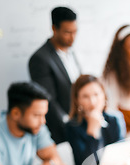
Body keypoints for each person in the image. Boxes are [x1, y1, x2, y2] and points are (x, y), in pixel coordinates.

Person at [29, 6, 80, 144]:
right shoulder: (40, 58)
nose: (72, 37)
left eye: (75, 31)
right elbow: (49, 101)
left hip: (79, 122)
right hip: (62, 131)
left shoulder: (72, 53)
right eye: (67, 32)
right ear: (54, 29)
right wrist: (70, 126)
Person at [66, 74, 126, 165]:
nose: (92, 101)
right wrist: (92, 132)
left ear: (104, 95)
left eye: (96, 94)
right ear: (77, 100)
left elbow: (120, 153)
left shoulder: (115, 119)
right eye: (85, 96)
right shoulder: (72, 126)